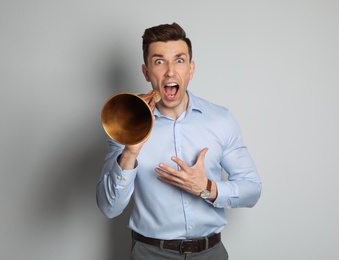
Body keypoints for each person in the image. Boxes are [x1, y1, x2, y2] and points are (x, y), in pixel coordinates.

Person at [96, 22, 262, 260]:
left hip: (211, 253)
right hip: (150, 253)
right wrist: (130, 151)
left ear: (191, 70)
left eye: (179, 60)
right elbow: (109, 207)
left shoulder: (220, 119)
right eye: (159, 61)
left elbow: (252, 190)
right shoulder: (124, 123)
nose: (170, 72)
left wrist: (207, 189)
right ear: (146, 72)